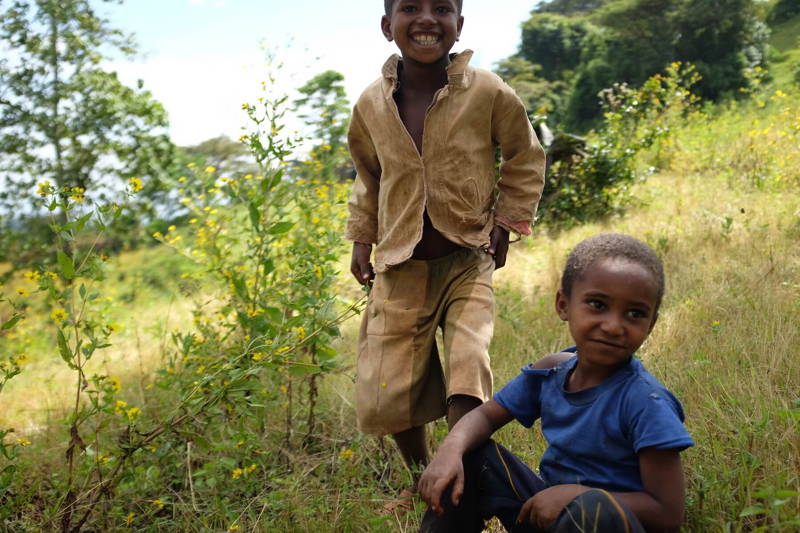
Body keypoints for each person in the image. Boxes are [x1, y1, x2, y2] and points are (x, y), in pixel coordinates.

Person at [345, 0, 546, 507]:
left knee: (467, 360)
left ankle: (461, 473)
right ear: (388, 26)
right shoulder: (371, 104)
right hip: (399, 265)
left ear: (460, 24)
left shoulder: (486, 90)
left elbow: (524, 154)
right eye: (410, 8)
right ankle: (421, 477)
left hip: (466, 257)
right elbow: (367, 177)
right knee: (389, 383)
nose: (427, 19)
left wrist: (508, 220)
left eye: (442, 8)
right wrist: (362, 239)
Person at [417, 233, 695, 532]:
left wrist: (579, 497)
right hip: (546, 512)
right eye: (597, 304)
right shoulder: (550, 372)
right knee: (471, 454)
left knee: (591, 509)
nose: (614, 326)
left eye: (635, 314)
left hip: (604, 522)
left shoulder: (645, 402)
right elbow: (485, 415)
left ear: (650, 325)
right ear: (563, 305)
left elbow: (667, 514)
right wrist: (450, 451)